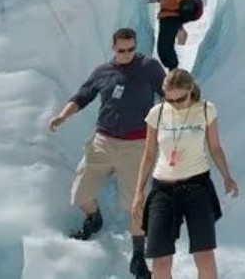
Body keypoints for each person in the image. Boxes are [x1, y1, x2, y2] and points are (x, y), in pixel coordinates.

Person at [48, 28, 165, 278]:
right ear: (113, 48)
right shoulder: (103, 72)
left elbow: (168, 94)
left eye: (131, 49)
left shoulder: (149, 67)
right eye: (121, 50)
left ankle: (138, 255)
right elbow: (82, 96)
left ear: (136, 46)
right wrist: (62, 115)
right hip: (102, 142)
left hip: (136, 145)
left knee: (136, 204)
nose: (126, 54)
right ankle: (94, 218)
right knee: (79, 193)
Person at [131, 69, 238, 279]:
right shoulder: (157, 113)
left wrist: (227, 176)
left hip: (197, 187)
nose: (176, 103)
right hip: (163, 189)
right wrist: (138, 192)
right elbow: (149, 153)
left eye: (180, 98)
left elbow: (215, 147)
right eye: (169, 100)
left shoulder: (207, 110)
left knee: (205, 256)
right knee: (160, 262)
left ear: (191, 89)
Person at [147, 0, 191, 70]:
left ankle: (174, 69)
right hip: (168, 17)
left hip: (171, 18)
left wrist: (163, 0)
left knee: (165, 47)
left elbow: (175, 0)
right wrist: (158, 0)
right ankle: (173, 69)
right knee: (165, 46)